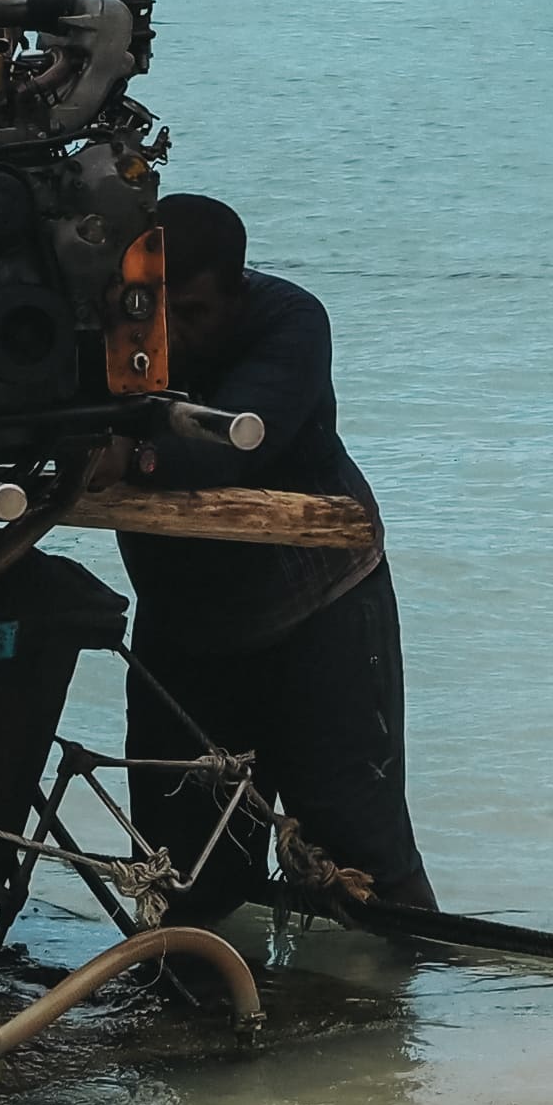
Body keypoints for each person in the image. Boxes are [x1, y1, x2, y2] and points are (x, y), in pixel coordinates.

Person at [117, 191, 435, 922]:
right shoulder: (118, 332)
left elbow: (224, 447)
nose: (170, 335)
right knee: (182, 868)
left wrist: (126, 455)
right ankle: (208, 1005)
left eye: (192, 313)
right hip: (185, 626)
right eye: (151, 310)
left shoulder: (290, 320)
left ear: (239, 291)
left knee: (361, 857)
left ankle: (408, 1019)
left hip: (317, 608)